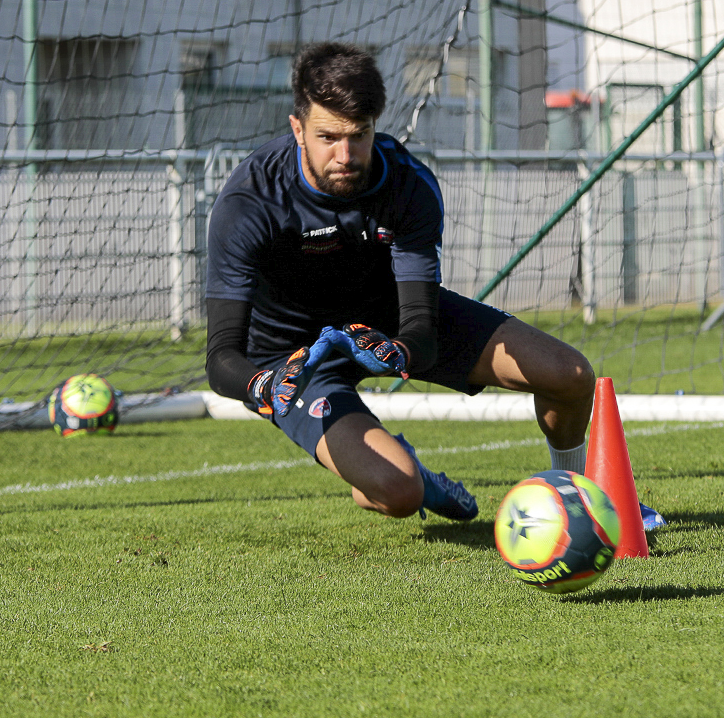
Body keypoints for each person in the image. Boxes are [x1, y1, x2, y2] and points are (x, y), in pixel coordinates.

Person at [203, 41, 597, 521]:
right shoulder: (249, 202)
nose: (345, 154)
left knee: (570, 376)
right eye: (328, 137)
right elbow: (222, 357)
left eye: (359, 135)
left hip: (386, 321)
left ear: (375, 127)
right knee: (399, 492)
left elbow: (420, 328)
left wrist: (401, 351)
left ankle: (579, 500)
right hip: (293, 360)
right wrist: (265, 383)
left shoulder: (408, 185)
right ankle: (407, 471)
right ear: (297, 129)